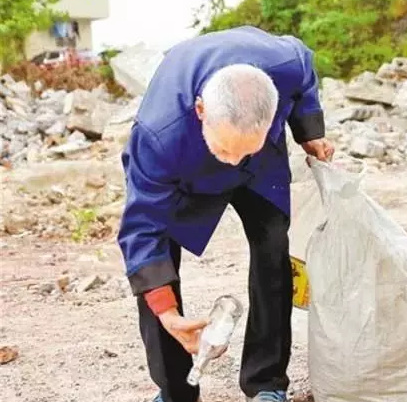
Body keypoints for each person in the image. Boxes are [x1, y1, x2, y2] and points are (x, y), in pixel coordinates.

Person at [117, 25, 334, 402]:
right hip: (188, 165)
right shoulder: (157, 136)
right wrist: (167, 314)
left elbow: (305, 77)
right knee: (158, 261)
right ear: (201, 111)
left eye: (242, 151)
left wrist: (307, 130)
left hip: (261, 169)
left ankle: (266, 383)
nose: (233, 161)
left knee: (273, 252)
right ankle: (175, 391)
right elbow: (141, 231)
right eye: (226, 151)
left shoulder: (286, 64)